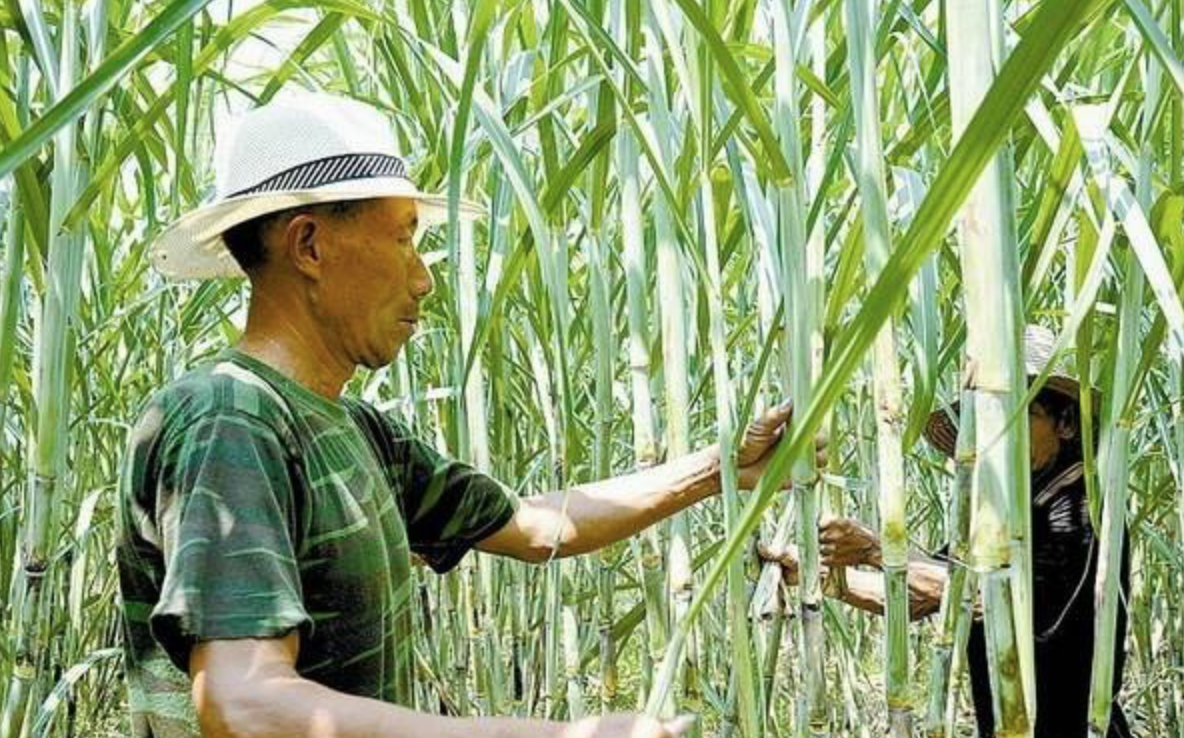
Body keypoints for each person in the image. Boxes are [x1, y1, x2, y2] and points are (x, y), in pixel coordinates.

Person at [117, 93, 814, 738]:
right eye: (403, 238)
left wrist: (721, 467)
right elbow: (243, 702)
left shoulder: (356, 431)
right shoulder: (229, 419)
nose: (422, 277)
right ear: (310, 246)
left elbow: (537, 526)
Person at [760, 326, 1131, 738]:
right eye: (993, 416)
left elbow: (1000, 599)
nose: (1000, 432)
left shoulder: (1084, 509)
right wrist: (829, 579)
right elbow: (923, 590)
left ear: (1066, 424)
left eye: (1022, 412)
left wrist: (873, 548)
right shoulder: (1009, 512)